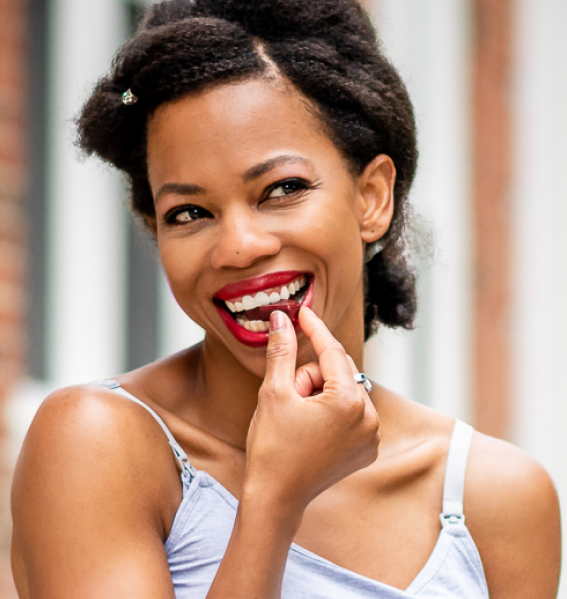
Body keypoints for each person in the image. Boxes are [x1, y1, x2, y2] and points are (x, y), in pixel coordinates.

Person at [11, 0, 561, 597]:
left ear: (371, 197)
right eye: (189, 212)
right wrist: (274, 500)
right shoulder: (98, 444)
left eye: (281, 189)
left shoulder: (494, 498)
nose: (239, 247)